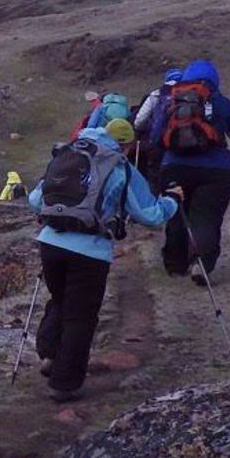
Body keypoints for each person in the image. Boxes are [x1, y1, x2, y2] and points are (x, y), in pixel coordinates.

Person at [28, 119, 180, 402]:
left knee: (60, 299)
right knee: (80, 316)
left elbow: (36, 200)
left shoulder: (67, 154)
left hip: (50, 242)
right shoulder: (121, 168)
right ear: (126, 145)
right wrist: (173, 200)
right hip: (90, 251)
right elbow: (150, 215)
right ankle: (64, 383)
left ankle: (49, 354)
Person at [149, 59, 230, 284]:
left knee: (176, 213)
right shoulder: (220, 101)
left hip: (174, 167)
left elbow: (156, 137)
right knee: (207, 217)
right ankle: (202, 265)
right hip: (215, 171)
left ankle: (176, 264)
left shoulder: (171, 100)